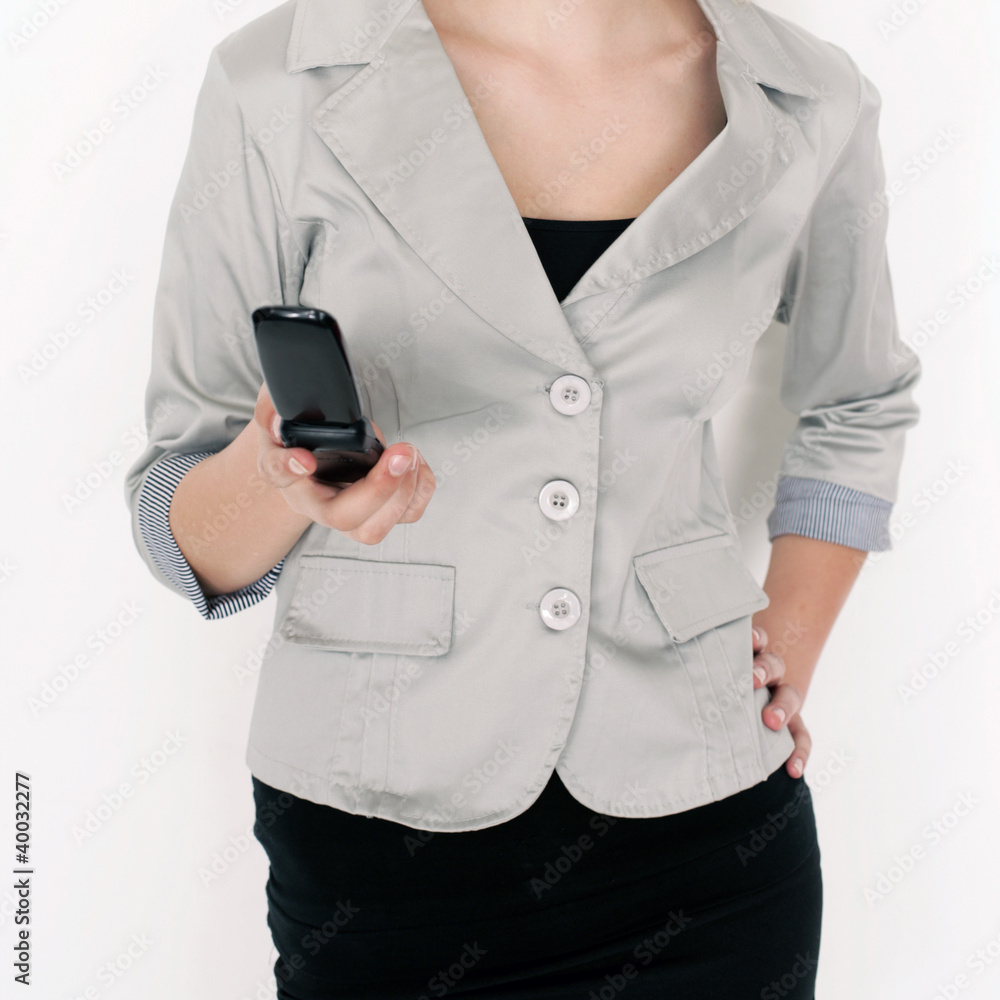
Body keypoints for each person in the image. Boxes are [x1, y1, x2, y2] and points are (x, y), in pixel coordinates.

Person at [124, 0, 922, 996]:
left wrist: (784, 657)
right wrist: (278, 475)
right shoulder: (275, 78)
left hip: (708, 842)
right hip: (377, 851)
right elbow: (180, 519)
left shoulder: (807, 95)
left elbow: (858, 401)